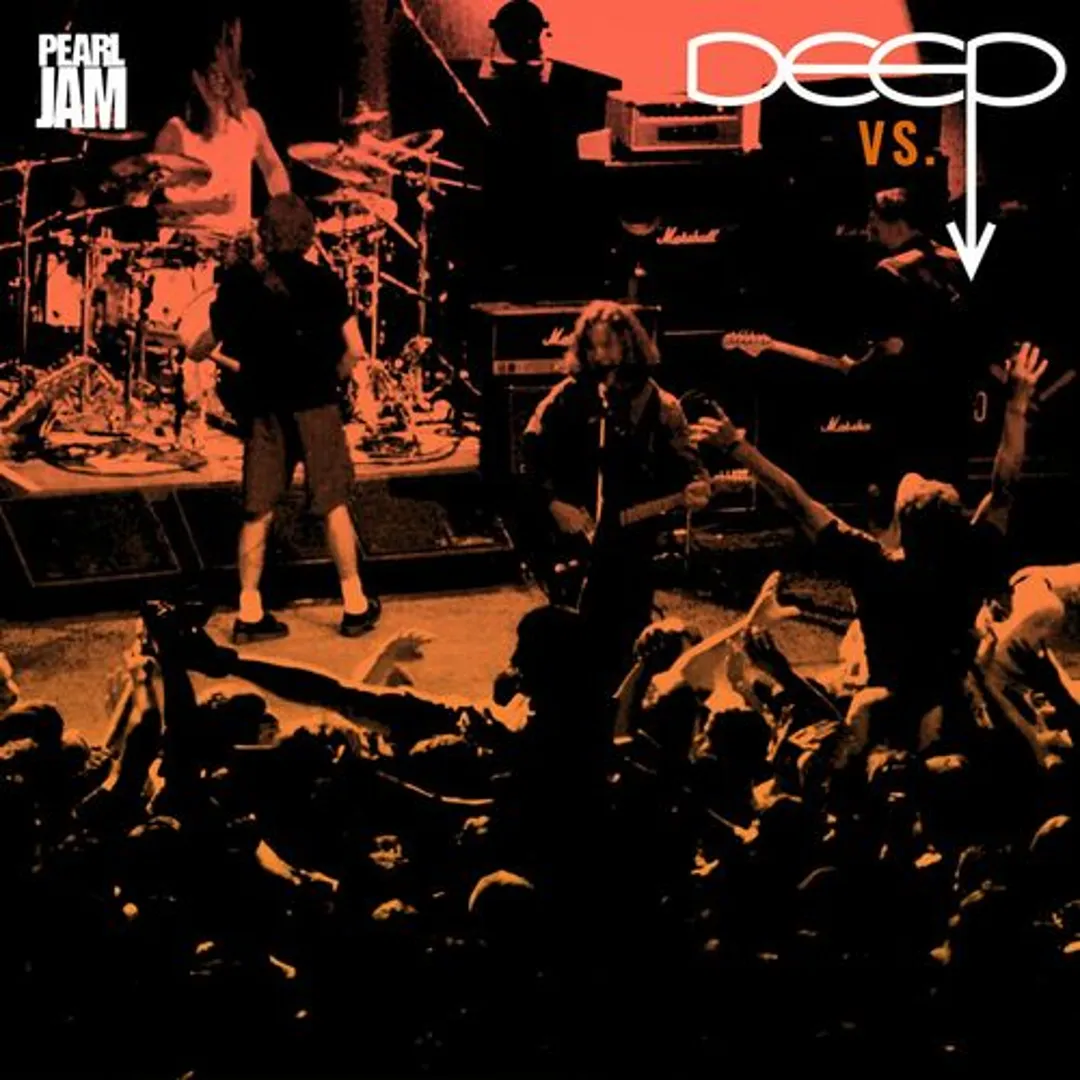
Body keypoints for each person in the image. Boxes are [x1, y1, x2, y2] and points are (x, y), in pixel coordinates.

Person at [690, 341, 1048, 751]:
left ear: (903, 527)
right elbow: (1006, 483)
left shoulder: (877, 568)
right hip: (950, 708)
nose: (917, 477)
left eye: (919, 487)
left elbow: (796, 500)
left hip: (883, 713)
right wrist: (1017, 405)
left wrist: (737, 448)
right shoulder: (968, 561)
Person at [201, 192, 379, 643]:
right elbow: (355, 351)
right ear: (308, 234)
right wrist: (332, 378)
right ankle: (355, 605)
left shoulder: (241, 283)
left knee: (257, 509)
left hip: (265, 410)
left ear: (264, 233)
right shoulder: (325, 282)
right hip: (317, 406)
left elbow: (201, 346)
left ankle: (249, 612)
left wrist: (236, 363)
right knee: (333, 504)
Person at [520, 300, 711, 691]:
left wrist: (698, 487)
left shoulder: (661, 406)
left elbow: (690, 467)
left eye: (607, 345)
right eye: (591, 347)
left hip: (632, 541)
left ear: (628, 344)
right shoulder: (567, 397)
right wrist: (554, 503)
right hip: (575, 536)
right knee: (573, 637)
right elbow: (531, 453)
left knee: (629, 637)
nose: (600, 356)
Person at [153, 19, 290, 236]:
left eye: (225, 73)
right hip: (188, 244)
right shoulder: (176, 132)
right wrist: (208, 207)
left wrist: (284, 204)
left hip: (237, 243)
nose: (220, 81)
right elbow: (156, 209)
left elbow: (273, 168)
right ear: (198, 79)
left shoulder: (250, 122)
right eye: (212, 73)